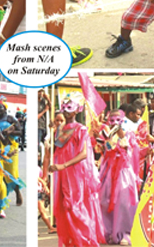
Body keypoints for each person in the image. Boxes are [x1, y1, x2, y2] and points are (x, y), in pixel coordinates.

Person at [48, 98, 105, 247]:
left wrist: (63, 165)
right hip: (62, 175)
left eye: (70, 107)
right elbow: (57, 151)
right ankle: (73, 240)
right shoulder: (61, 130)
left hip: (75, 175)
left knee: (74, 206)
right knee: (64, 206)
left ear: (76, 110)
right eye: (64, 107)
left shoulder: (81, 129)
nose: (66, 111)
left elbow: (84, 153)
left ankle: (85, 239)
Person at [98, 110, 139, 245]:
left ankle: (126, 233)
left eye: (117, 120)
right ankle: (108, 231)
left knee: (123, 202)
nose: (114, 123)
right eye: (111, 120)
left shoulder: (129, 134)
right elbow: (102, 149)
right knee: (105, 200)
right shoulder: (105, 134)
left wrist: (122, 138)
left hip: (123, 171)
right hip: (108, 170)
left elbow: (131, 152)